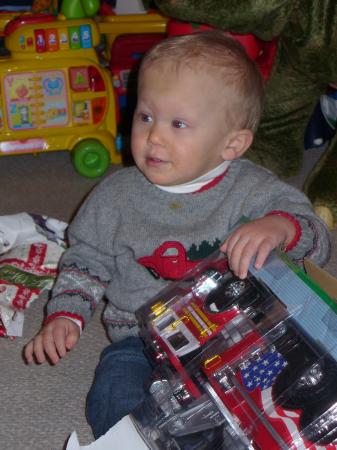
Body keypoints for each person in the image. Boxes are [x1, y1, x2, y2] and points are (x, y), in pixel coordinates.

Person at [24, 31, 331, 439]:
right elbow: (86, 259)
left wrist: (282, 227)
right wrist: (65, 314)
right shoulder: (115, 198)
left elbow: (318, 244)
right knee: (113, 393)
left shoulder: (254, 191)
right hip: (139, 340)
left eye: (178, 123)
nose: (154, 136)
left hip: (235, 342)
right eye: (145, 116)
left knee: (279, 405)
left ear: (231, 144)